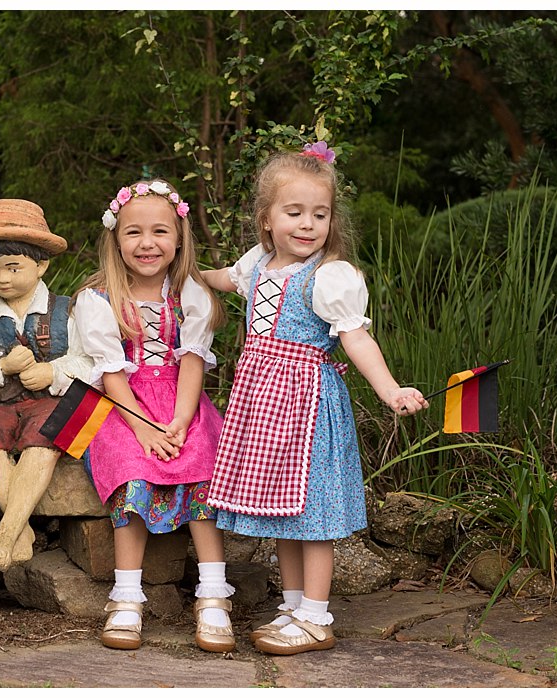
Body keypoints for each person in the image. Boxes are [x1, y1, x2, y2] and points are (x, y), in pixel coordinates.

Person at [201, 144, 428, 656]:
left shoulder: (330, 276)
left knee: (312, 514)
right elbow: (221, 279)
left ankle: (317, 618)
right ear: (266, 220)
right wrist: (179, 272)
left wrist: (389, 388)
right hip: (262, 405)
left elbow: (356, 338)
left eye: (319, 215)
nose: (308, 225)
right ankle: (294, 604)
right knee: (281, 514)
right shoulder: (258, 264)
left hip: (306, 405)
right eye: (294, 213)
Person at [72, 179, 236, 653]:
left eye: (160, 231)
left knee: (202, 462)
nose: (148, 244)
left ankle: (212, 593)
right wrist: (143, 428)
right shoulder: (98, 298)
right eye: (134, 233)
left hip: (182, 401)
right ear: (116, 238)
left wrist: (182, 421)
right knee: (132, 470)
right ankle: (126, 596)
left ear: (180, 237)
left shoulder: (190, 294)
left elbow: (192, 365)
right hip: (124, 408)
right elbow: (111, 375)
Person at [0, 199, 94, 572]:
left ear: (41, 264)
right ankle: (21, 530)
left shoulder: (68, 310)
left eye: (13, 268)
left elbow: (93, 364)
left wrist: (53, 373)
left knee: (45, 439)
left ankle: (5, 534)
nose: (1, 279)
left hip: (52, 404)